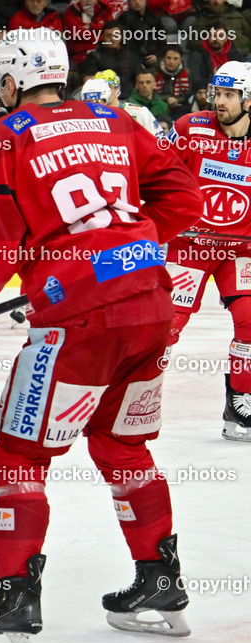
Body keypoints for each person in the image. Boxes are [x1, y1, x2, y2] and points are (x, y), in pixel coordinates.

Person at [0, 28, 202, 643]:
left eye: (0, 80)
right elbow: (185, 200)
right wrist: (112, 259)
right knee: (122, 442)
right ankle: (160, 587)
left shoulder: (3, 136)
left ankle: (14, 608)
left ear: (15, 79)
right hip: (153, 307)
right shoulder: (115, 119)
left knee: (19, 453)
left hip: (80, 321)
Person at [165, 62, 251, 441]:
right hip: (190, 245)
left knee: (250, 322)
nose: (219, 101)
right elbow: (155, 174)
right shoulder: (190, 129)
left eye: (229, 95)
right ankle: (125, 394)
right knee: (165, 326)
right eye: (217, 93)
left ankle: (240, 401)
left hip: (240, 249)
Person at [87, 69, 166, 139]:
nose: (105, 92)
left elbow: (160, 143)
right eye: (100, 89)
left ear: (117, 89)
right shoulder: (89, 117)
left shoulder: (140, 112)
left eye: (109, 88)